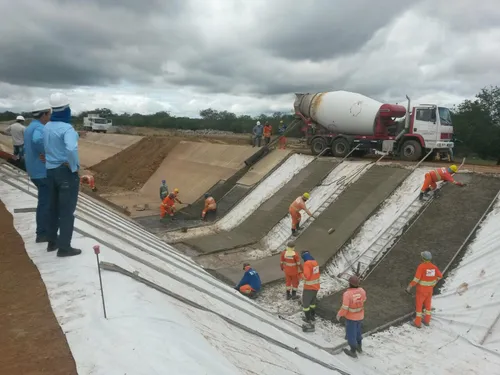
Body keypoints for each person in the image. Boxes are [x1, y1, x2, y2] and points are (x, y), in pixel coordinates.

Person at [43, 92, 81, 257]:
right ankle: (64, 247)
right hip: (64, 172)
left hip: (49, 171)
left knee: (53, 208)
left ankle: (52, 242)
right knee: (66, 211)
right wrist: (74, 167)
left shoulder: (46, 127)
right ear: (66, 109)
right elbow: (71, 149)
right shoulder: (67, 128)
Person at [24, 100, 51, 243]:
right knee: (45, 203)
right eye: (49, 114)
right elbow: (38, 141)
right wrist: (48, 153)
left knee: (44, 202)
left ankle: (43, 231)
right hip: (42, 172)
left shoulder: (30, 127)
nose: (50, 117)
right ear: (44, 115)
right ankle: (42, 233)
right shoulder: (40, 128)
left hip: (34, 170)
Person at [406, 251, 443, 328]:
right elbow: (440, 276)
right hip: (429, 290)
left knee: (419, 306)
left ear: (423, 258)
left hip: (421, 290)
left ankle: (417, 323)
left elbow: (416, 279)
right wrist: (433, 283)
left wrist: (410, 286)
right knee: (428, 305)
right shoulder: (434, 267)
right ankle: (427, 321)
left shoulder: (421, 267)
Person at [336, 275, 367, 358]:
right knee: (358, 332)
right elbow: (364, 299)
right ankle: (359, 347)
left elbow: (345, 308)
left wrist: (339, 314)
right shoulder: (362, 291)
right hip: (360, 316)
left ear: (349, 283)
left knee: (351, 334)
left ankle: (353, 351)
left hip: (351, 318)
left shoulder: (347, 294)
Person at [301, 250, 320, 332]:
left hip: (309, 288)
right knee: (312, 303)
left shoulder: (307, 264)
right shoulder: (315, 262)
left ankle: (308, 319)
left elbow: (306, 276)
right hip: (316, 287)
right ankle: (312, 316)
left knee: (305, 304)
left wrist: (300, 274)